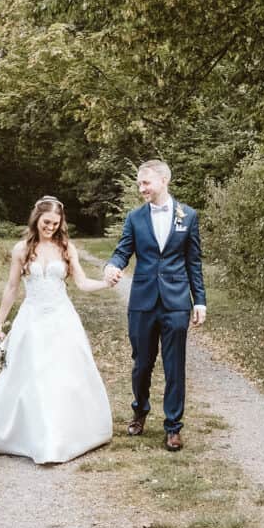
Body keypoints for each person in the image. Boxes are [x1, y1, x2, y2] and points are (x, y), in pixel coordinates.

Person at [0, 196, 114, 465]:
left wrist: (105, 283)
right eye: (46, 222)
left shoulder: (66, 247)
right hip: (31, 319)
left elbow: (81, 283)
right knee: (31, 376)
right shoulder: (22, 249)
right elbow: (12, 287)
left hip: (61, 318)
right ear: (36, 219)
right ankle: (29, 436)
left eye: (55, 223)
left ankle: (60, 437)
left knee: (61, 375)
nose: (51, 228)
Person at [104, 160, 206, 451]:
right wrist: (112, 266)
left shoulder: (188, 216)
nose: (141, 188)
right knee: (142, 363)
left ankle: (173, 427)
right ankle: (140, 411)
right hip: (143, 301)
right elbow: (123, 251)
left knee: (175, 366)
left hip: (176, 302)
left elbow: (193, 262)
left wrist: (199, 300)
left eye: (145, 182)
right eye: (139, 183)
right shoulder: (135, 218)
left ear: (164, 180)